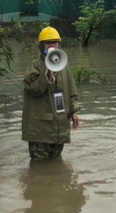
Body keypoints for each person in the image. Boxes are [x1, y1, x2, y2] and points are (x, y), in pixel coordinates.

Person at [22, 26, 81, 161]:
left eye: (55, 42)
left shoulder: (64, 66)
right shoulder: (35, 66)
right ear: (42, 46)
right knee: (39, 168)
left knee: (56, 164)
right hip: (40, 130)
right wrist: (47, 74)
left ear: (59, 44)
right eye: (48, 43)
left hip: (59, 127)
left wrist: (74, 111)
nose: (52, 46)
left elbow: (72, 92)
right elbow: (33, 89)